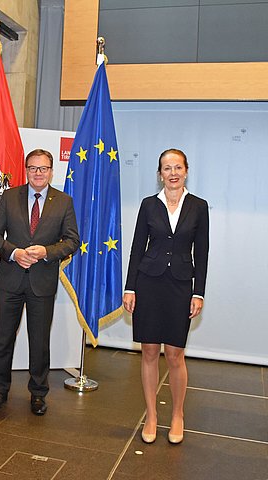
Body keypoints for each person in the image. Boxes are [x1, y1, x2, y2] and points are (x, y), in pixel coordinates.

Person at [123, 148, 209, 445]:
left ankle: (177, 415)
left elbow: (203, 252)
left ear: (186, 171)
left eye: (177, 167)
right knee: (148, 351)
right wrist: (130, 287)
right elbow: (137, 248)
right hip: (148, 284)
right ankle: (152, 415)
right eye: (166, 168)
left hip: (181, 286)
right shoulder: (149, 205)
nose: (172, 173)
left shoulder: (198, 206)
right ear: (159, 174)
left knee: (174, 354)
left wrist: (198, 292)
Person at [0, 148, 80, 415]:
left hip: (42, 281)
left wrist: (46, 253)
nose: (38, 173)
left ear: (51, 171)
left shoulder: (64, 201)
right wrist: (14, 253)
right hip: (10, 279)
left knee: (39, 341)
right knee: (3, 338)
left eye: (43, 168)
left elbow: (73, 240)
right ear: (25, 170)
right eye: (32, 168)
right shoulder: (9, 197)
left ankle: (38, 393)